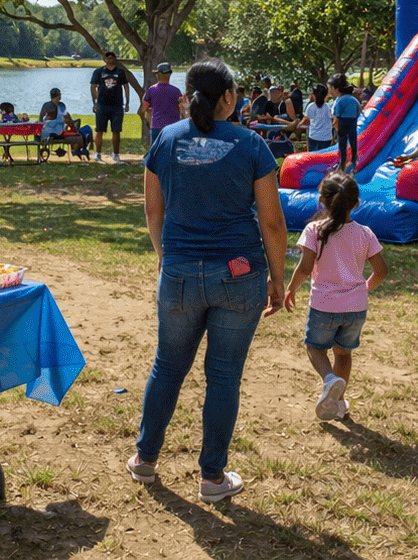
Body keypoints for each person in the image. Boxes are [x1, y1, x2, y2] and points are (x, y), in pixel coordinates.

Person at [129, 58, 286, 503]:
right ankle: (212, 478)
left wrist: (166, 257)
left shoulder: (166, 139)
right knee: (223, 377)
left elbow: (152, 210)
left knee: (168, 366)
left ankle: (145, 460)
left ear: (187, 96)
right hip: (239, 277)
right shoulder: (252, 144)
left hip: (178, 271)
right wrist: (278, 278)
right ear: (230, 98)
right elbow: (273, 223)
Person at [284, 169, 386, 421]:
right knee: (343, 353)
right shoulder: (365, 233)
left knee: (314, 348)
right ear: (356, 202)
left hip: (324, 307)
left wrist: (290, 289)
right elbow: (381, 271)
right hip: (355, 308)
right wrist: (367, 286)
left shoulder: (314, 231)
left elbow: (305, 268)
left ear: (323, 200)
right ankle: (338, 404)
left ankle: (329, 380)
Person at [90, 51, 139, 163]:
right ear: (105, 59)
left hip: (117, 106)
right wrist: (95, 102)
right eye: (108, 57)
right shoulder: (99, 72)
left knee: (116, 131)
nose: (110, 59)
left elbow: (126, 87)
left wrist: (127, 102)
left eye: (112, 57)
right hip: (102, 105)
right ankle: (98, 154)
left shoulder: (120, 72)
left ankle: (115, 154)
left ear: (115, 59)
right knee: (99, 130)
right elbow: (93, 87)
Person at [144, 62, 184, 147]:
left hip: (156, 127)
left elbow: (144, 108)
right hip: (174, 128)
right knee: (172, 153)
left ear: (158, 74)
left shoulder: (151, 90)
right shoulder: (176, 91)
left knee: (155, 154)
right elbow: (182, 109)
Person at [331, 77, 361, 172]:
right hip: (352, 121)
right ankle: (354, 160)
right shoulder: (354, 100)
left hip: (343, 122)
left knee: (342, 143)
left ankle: (343, 162)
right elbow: (358, 111)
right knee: (353, 142)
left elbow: (337, 113)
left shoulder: (340, 99)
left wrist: (336, 124)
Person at [303, 84, 334, 152]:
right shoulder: (329, 107)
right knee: (324, 158)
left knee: (313, 157)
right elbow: (333, 120)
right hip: (327, 137)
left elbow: (306, 121)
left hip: (313, 136)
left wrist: (298, 124)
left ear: (314, 95)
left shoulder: (310, 106)